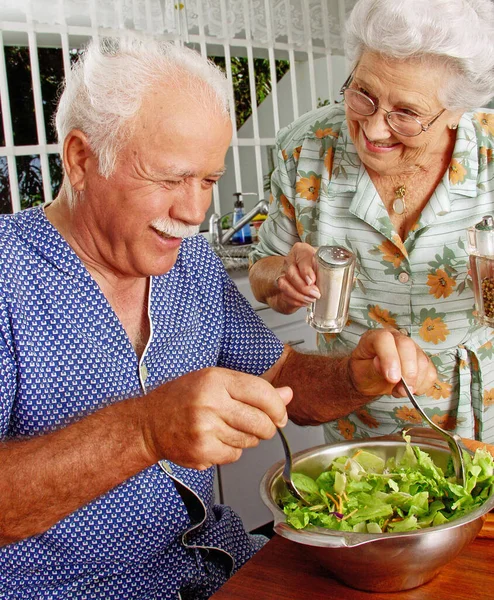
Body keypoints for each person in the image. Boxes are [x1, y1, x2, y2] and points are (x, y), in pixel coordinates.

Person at [0, 35, 436, 600]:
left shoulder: (192, 266)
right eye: (168, 179)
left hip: (217, 568)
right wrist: (145, 430)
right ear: (82, 160)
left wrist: (355, 377)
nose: (193, 211)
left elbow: (281, 380)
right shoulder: (9, 276)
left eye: (207, 181)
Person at [249, 0, 494, 447]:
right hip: (355, 424)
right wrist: (281, 276)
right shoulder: (307, 150)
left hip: (484, 426)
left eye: (407, 113)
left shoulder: (489, 155)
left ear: (458, 112)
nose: (375, 129)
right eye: (363, 94)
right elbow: (263, 268)